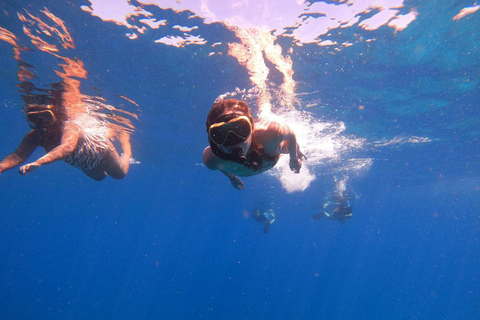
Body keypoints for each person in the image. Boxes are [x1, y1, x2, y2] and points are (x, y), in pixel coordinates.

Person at [0, 92, 132, 181]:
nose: (41, 122)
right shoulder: (35, 136)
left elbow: (67, 148)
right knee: (100, 178)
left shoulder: (69, 128)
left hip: (103, 151)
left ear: (56, 116)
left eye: (46, 116)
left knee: (119, 174)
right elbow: (18, 156)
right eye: (34, 118)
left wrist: (39, 162)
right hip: (84, 163)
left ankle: (126, 150)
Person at [203, 99, 305, 189]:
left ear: (252, 126)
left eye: (240, 128)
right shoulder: (211, 160)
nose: (233, 139)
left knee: (287, 146)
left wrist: (293, 159)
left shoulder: (270, 134)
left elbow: (291, 134)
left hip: (272, 151)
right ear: (212, 138)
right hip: (269, 156)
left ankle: (264, 109)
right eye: (220, 133)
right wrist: (232, 178)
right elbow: (220, 166)